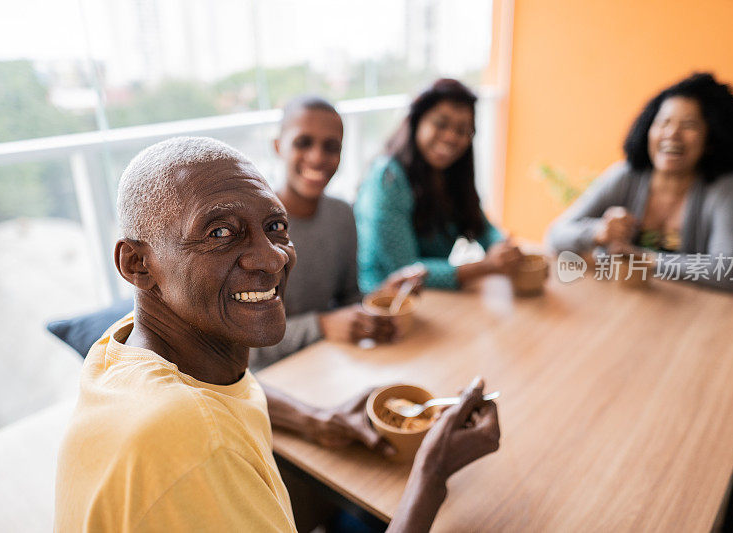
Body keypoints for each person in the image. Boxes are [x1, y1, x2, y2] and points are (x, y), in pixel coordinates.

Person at [55, 136, 500, 532]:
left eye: (275, 228)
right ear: (137, 265)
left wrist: (317, 419)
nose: (272, 259)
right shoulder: (189, 441)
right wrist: (431, 476)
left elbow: (227, 393)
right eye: (221, 232)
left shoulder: (129, 346)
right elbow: (202, 430)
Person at [250, 96, 425, 371]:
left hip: (329, 364)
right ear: (277, 146)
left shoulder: (342, 214)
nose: (318, 157)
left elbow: (348, 299)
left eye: (331, 147)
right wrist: (321, 325)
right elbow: (244, 346)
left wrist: (382, 296)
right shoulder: (251, 227)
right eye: (303, 142)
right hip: (269, 381)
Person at [547, 72, 733, 291]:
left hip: (691, 315)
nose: (672, 134)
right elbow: (555, 235)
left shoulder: (728, 186)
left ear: (712, 139)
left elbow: (728, 271)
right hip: (620, 305)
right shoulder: (626, 175)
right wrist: (597, 232)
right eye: (663, 122)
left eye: (689, 125)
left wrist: (645, 259)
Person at [354, 79, 521, 292]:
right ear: (417, 121)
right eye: (441, 124)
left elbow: (482, 227)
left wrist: (502, 247)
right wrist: (485, 267)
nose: (451, 137)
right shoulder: (387, 179)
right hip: (384, 304)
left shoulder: (451, 174)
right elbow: (405, 269)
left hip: (435, 298)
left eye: (462, 131)